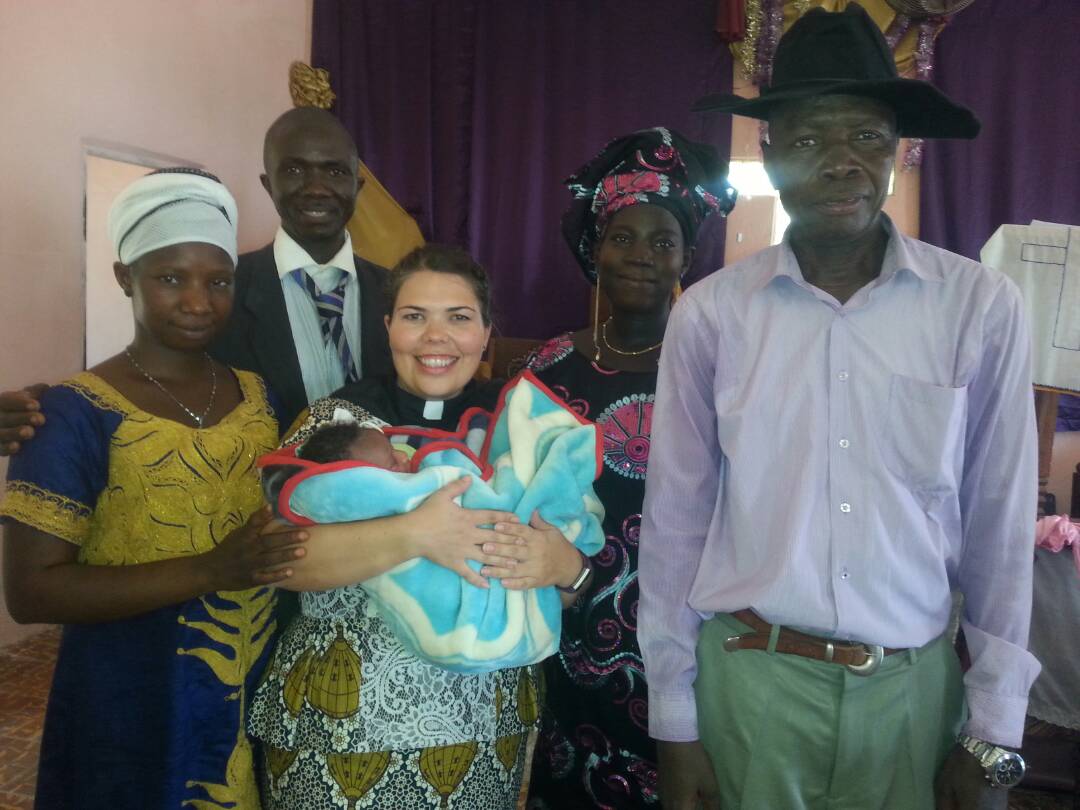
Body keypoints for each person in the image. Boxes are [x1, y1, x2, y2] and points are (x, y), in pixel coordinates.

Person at [638, 6, 1039, 810]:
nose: (843, 164)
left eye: (866, 137)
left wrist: (993, 727)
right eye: (812, 140)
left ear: (897, 151)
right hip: (748, 685)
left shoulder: (978, 308)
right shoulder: (712, 315)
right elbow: (677, 523)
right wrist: (675, 719)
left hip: (911, 696)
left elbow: (1000, 525)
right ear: (772, 151)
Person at [0, 169, 307, 808]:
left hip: (254, 684)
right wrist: (214, 568)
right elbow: (32, 592)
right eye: (171, 278)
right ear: (124, 278)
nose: (198, 302)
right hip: (128, 700)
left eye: (218, 281)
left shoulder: (258, 395)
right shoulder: (72, 413)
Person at [248, 244, 593, 809]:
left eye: (458, 318)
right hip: (341, 727)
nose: (436, 337)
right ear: (388, 328)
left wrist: (567, 568)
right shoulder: (334, 422)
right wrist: (415, 534)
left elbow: (570, 570)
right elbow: (277, 560)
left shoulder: (522, 430)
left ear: (486, 332)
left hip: (485, 728)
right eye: (415, 317)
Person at [524, 127, 736, 808]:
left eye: (662, 241)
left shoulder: (723, 363)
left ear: (686, 258)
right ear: (595, 251)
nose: (642, 256)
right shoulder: (550, 367)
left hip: (697, 635)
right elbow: (513, 494)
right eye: (623, 238)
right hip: (575, 629)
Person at [0, 106, 392, 450]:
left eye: (334, 171)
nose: (316, 188)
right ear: (267, 183)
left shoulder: (401, 294)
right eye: (293, 170)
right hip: (261, 519)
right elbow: (154, 378)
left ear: (356, 185)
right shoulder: (218, 292)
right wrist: (50, 412)